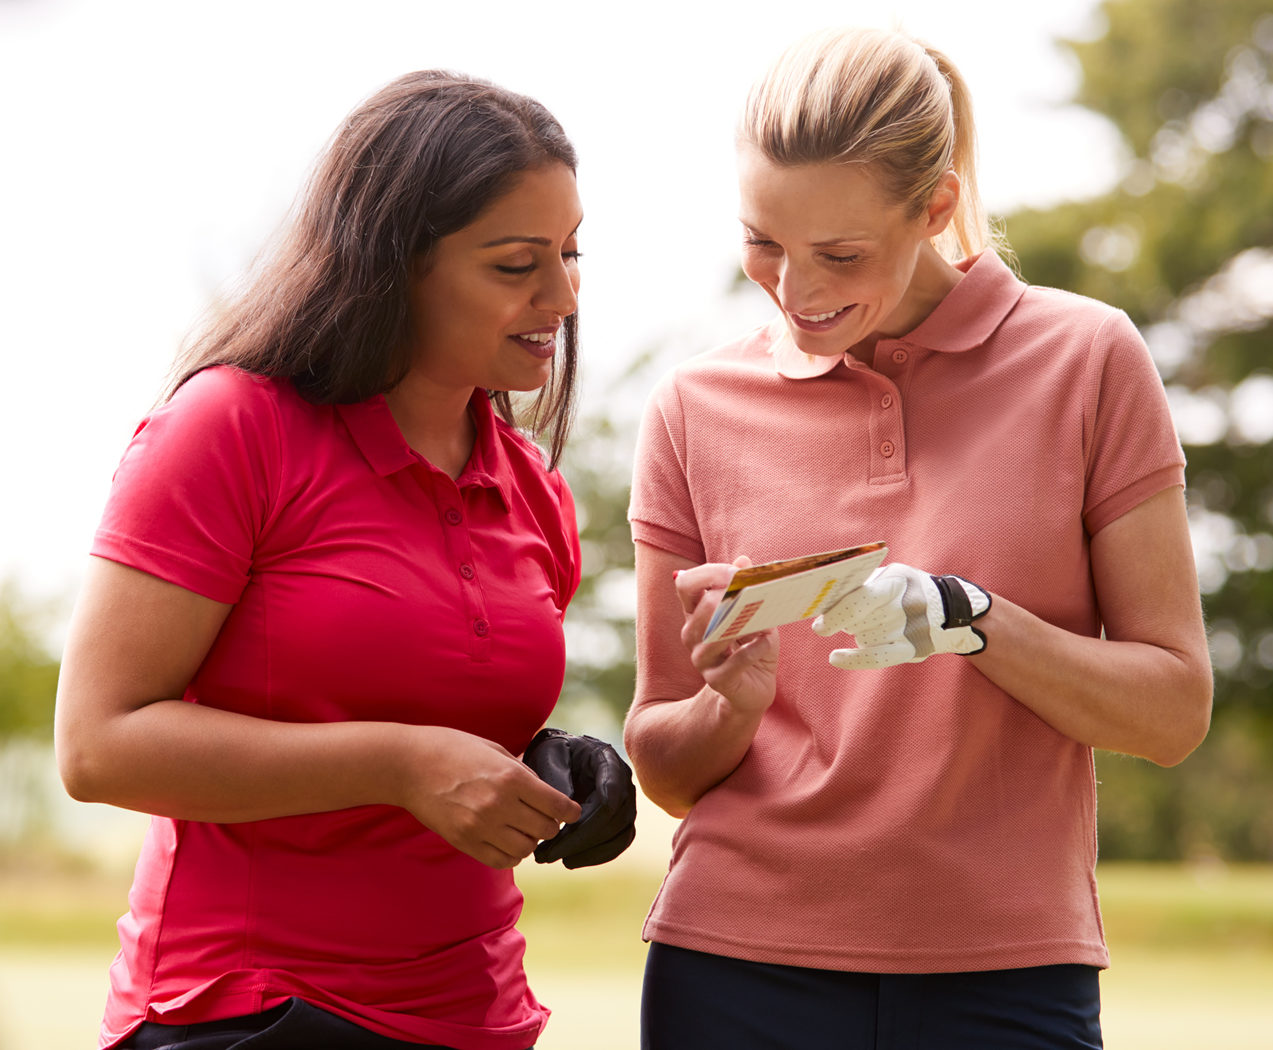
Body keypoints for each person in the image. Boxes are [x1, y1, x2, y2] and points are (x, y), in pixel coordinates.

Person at [623, 26, 1212, 1050]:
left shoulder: (1086, 361)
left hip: (1006, 969)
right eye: (763, 242)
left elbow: (1170, 710)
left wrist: (968, 619)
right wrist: (729, 703)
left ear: (934, 205)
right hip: (734, 964)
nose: (795, 293)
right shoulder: (691, 406)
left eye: (840, 255)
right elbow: (664, 763)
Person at [54, 70, 636, 1050]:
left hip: (473, 1017)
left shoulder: (534, 487)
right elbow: (96, 745)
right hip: (248, 1012)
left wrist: (554, 769)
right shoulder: (231, 429)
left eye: (572, 253)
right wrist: (398, 763)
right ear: (395, 264)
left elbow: (449, 721)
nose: (564, 295)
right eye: (515, 264)